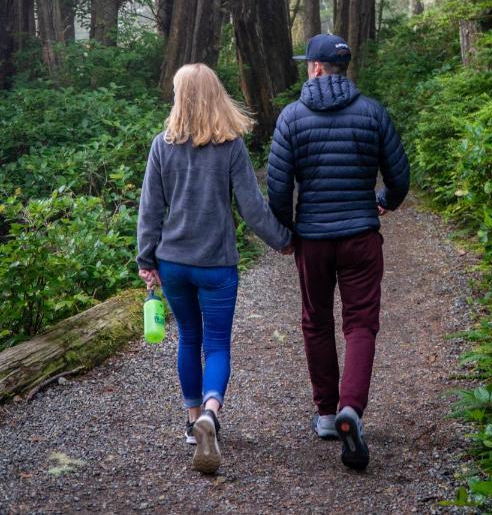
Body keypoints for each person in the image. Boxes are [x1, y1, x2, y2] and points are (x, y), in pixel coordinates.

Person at [137, 63, 292, 475]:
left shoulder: (161, 145)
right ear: (215, 95)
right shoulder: (230, 145)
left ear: (180, 97)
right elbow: (253, 207)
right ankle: (210, 410)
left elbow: (149, 210)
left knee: (188, 337)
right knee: (218, 344)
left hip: (172, 262)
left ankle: (192, 424)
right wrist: (283, 240)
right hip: (217, 265)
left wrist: (145, 259)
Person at [267, 34, 409, 470]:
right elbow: (399, 176)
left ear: (314, 68)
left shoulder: (291, 117)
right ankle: (352, 408)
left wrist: (290, 230)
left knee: (315, 321)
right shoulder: (373, 112)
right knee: (361, 323)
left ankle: (327, 414)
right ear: (341, 68)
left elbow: (277, 188)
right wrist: (384, 200)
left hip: (313, 239)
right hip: (362, 235)